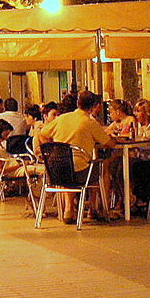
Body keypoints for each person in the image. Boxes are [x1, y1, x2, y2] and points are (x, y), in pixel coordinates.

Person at [36, 91, 113, 223]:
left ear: (78, 103)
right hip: (79, 173)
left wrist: (51, 149)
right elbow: (109, 143)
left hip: (55, 170)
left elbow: (41, 134)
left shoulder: (62, 118)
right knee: (102, 166)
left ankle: (69, 209)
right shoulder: (89, 122)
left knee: (69, 166)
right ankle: (99, 209)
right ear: (93, 106)